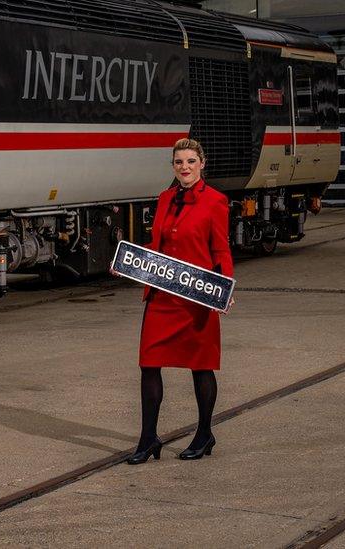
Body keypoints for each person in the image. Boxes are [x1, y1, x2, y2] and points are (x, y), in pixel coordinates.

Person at [124, 138, 234, 464]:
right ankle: (148, 439)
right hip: (161, 296)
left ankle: (204, 433)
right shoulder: (165, 198)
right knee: (149, 363)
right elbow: (157, 243)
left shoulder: (216, 201)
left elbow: (220, 250)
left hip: (197, 297)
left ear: (202, 163)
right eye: (178, 162)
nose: (184, 167)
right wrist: (133, 264)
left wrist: (223, 289)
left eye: (190, 161)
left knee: (200, 366)